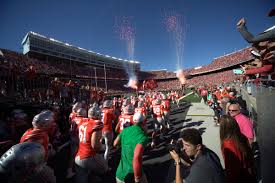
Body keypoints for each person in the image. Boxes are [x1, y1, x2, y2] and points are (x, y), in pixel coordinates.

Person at [74, 106, 108, 183]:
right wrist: (103, 147)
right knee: (105, 168)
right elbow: (95, 146)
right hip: (88, 156)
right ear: (97, 114)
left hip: (78, 155)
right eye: (100, 114)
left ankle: (93, 176)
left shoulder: (83, 121)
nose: (101, 115)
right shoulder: (97, 124)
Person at [219, 115, 256, 183]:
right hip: (248, 174)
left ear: (223, 128)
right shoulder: (241, 136)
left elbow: (233, 169)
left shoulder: (227, 145)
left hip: (239, 177)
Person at [114, 112, 149, 183]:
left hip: (120, 173)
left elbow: (115, 143)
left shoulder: (125, 130)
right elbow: (137, 157)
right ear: (143, 122)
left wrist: (124, 146)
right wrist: (137, 177)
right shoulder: (142, 137)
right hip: (132, 174)